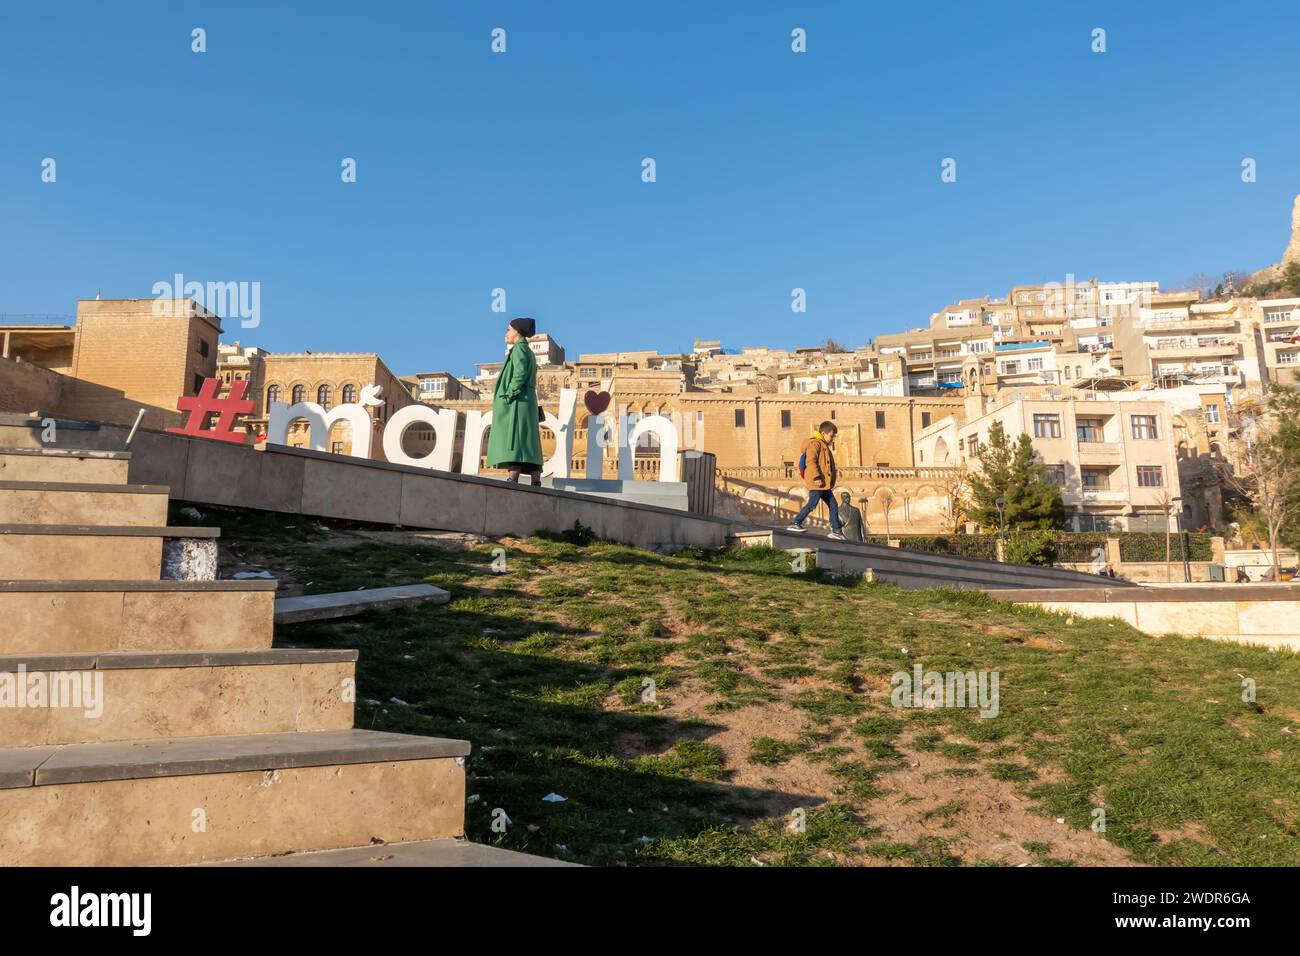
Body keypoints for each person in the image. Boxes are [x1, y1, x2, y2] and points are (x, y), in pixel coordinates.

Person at [487, 317, 544, 486]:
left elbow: (519, 374)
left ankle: (512, 479)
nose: (506, 333)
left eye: (508, 329)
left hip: (518, 401)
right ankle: (535, 480)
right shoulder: (528, 350)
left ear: (517, 331)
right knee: (528, 440)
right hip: (527, 400)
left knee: (514, 438)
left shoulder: (519, 349)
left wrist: (509, 394)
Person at [787, 421, 846, 540]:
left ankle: (836, 530)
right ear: (823, 433)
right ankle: (796, 522)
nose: (832, 438)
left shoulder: (823, 445)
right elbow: (811, 461)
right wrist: (817, 477)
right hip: (817, 482)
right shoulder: (815, 444)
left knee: (833, 505)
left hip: (824, 484)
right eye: (831, 435)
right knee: (812, 504)